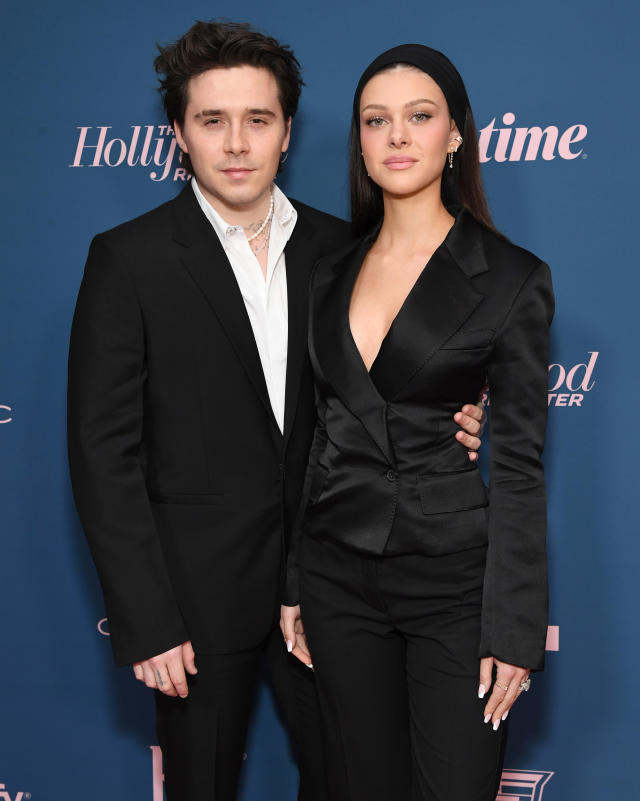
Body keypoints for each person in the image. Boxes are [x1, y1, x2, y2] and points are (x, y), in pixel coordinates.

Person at [67, 24, 484, 801]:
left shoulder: (342, 249)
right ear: (180, 135)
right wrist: (147, 615)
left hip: (336, 583)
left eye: (257, 120)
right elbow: (102, 452)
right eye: (212, 120)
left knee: (350, 781)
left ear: (287, 132)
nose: (236, 143)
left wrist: (460, 414)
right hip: (193, 598)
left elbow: (386, 392)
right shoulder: (129, 259)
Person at [282, 44, 554, 801]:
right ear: (361, 143)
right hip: (338, 579)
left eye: (419, 116)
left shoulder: (509, 276)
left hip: (452, 584)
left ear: (456, 135)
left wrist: (513, 630)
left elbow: (524, 466)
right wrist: (298, 578)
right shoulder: (328, 270)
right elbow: (321, 428)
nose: (397, 136)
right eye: (377, 120)